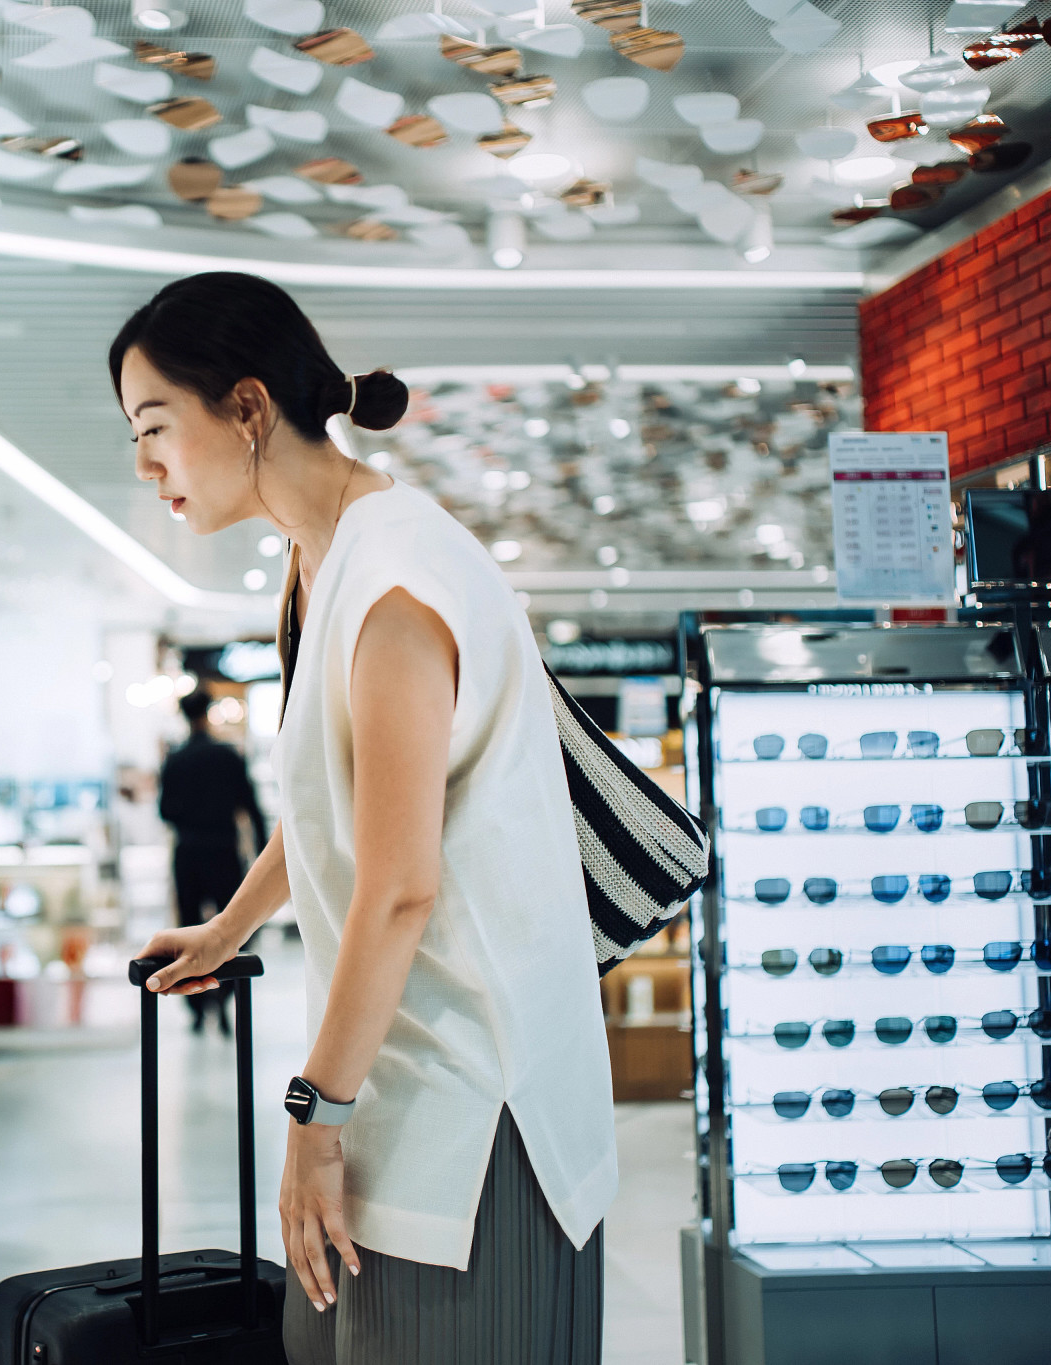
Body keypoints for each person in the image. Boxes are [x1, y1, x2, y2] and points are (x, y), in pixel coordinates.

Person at [114, 273, 613, 1365]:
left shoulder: (393, 581)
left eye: (155, 426)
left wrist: (311, 1114)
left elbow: (398, 882)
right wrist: (227, 927)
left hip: (480, 1119)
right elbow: (332, 807)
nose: (142, 462)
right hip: (401, 1081)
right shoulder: (317, 560)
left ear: (246, 408)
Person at [158, 686, 268, 1035]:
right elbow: (250, 807)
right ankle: (223, 1000)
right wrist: (263, 853)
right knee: (230, 931)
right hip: (223, 851)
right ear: (209, 713)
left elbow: (166, 811)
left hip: (188, 852)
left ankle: (196, 1006)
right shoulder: (228, 756)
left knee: (190, 925)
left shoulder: (175, 759)